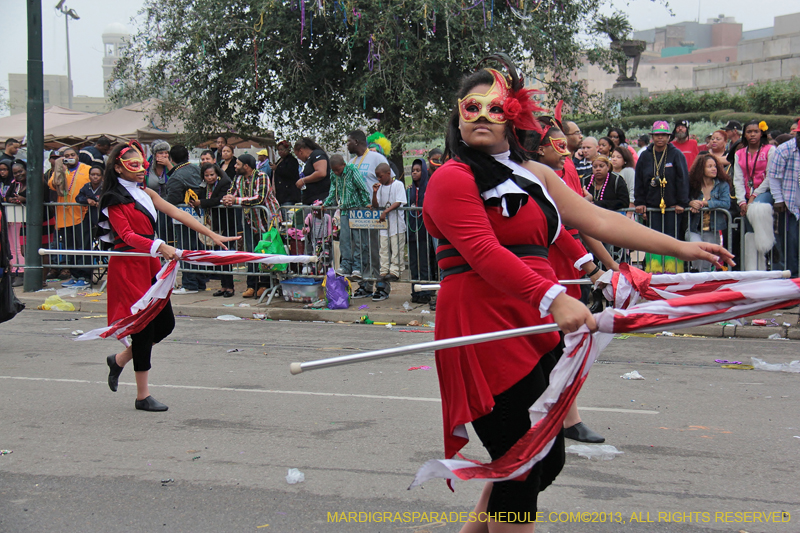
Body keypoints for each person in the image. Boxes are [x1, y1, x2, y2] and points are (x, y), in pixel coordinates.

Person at [422, 57, 731, 530]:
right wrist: (553, 297)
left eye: (495, 106)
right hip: (483, 326)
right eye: (471, 106)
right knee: (520, 462)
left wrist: (685, 246)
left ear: (513, 116)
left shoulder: (535, 175)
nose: (482, 115)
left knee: (541, 459)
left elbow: (600, 221)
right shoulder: (451, 178)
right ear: (457, 115)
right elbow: (484, 252)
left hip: (535, 323)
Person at [101, 140, 238, 412]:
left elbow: (176, 211)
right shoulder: (113, 198)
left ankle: (119, 360)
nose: (141, 169)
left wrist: (210, 234)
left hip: (150, 262)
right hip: (129, 264)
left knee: (165, 325)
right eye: (133, 164)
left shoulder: (146, 193)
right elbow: (126, 235)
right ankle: (142, 395)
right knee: (143, 329)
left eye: (143, 163)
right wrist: (160, 246)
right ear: (118, 167)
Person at [222, 153, 281, 298]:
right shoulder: (238, 178)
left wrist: (236, 200)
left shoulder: (262, 177)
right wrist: (228, 199)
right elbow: (231, 193)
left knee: (266, 252)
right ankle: (251, 285)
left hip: (267, 220)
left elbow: (259, 198)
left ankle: (266, 284)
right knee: (251, 252)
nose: (235, 166)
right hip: (250, 221)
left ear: (246, 166)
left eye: (237, 164)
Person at [346, 130, 392, 299]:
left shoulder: (377, 158)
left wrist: (385, 207)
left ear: (357, 141)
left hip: (375, 213)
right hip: (357, 214)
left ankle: (382, 285)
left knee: (377, 250)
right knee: (361, 249)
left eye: (349, 141)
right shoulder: (351, 162)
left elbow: (389, 181)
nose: (347, 144)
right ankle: (365, 285)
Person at [634, 121, 690, 240]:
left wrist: (682, 202)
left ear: (669, 137)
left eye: (664, 135)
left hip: (673, 209)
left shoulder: (676, 154)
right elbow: (639, 180)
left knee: (672, 240)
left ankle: (672, 260)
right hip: (651, 208)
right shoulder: (645, 156)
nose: (660, 137)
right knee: (653, 241)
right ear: (652, 137)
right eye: (657, 135)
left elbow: (683, 179)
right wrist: (640, 202)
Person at [48, 147, 93, 288]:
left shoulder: (87, 169)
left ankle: (84, 277)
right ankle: (74, 275)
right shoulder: (61, 170)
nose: (70, 157)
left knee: (83, 247)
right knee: (70, 247)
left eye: (72, 155)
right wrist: (58, 167)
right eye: (66, 156)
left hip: (82, 214)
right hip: (64, 216)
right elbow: (52, 185)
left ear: (78, 156)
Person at [735, 120, 776, 271]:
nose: (752, 134)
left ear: (761, 133)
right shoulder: (739, 153)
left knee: (757, 209)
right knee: (749, 231)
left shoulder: (770, 150)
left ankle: (768, 249)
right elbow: (738, 180)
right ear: (744, 134)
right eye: (749, 131)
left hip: (766, 191)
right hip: (746, 195)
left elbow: (770, 176)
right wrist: (741, 202)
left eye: (756, 131)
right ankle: (752, 269)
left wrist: (754, 196)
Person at [190, 162, 235, 297]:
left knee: (226, 256)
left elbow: (217, 200)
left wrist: (201, 203)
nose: (210, 178)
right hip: (211, 224)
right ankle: (223, 286)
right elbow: (202, 198)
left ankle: (230, 287)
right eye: (207, 175)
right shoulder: (203, 186)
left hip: (226, 223)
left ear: (217, 174)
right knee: (218, 256)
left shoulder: (224, 183)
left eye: (212, 175)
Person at [324, 154, 371, 277]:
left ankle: (358, 267)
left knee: (360, 240)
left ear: (343, 165)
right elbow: (333, 189)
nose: (336, 172)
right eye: (333, 170)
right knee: (344, 240)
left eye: (338, 170)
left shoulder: (352, 170)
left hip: (357, 210)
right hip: (344, 210)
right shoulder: (334, 174)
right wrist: (327, 202)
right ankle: (346, 266)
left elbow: (362, 188)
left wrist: (366, 203)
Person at [687, 155, 732, 272]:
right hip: (694, 227)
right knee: (696, 249)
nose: (714, 169)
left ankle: (704, 282)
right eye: (709, 166)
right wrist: (691, 203)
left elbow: (726, 203)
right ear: (701, 169)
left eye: (715, 166)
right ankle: (695, 275)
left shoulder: (722, 184)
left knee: (708, 260)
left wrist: (706, 203)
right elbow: (684, 200)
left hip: (712, 229)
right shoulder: (692, 184)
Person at [371, 162, 405, 301]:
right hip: (384, 225)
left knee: (396, 247)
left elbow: (399, 201)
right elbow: (375, 205)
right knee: (383, 247)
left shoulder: (398, 185)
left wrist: (386, 211)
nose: (379, 179)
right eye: (377, 177)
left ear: (388, 174)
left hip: (396, 224)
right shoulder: (379, 188)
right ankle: (384, 270)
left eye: (380, 177)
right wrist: (374, 193)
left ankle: (395, 270)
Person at [768, 136, 800, 277]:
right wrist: (779, 199)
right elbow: (774, 176)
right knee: (791, 242)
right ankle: (793, 277)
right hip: (791, 204)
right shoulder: (784, 149)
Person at [407, 158, 436, 307]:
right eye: (413, 171)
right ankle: (415, 292)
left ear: (423, 172)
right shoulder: (409, 190)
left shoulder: (429, 188)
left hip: (424, 231)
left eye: (418, 171)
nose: (414, 173)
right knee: (413, 264)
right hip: (412, 231)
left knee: (424, 263)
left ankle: (425, 292)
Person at [294, 138, 331, 205]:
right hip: (309, 200)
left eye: (297, 155)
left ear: (301, 151)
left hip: (320, 198)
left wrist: (303, 180)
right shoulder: (309, 160)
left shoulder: (317, 155)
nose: (298, 158)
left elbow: (321, 173)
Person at [271, 141, 301, 206]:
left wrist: (277, 169)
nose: (280, 152)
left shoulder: (292, 160)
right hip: (280, 195)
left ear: (288, 149)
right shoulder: (279, 161)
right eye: (278, 150)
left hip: (289, 195)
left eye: (282, 149)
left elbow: (290, 173)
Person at [75, 164, 104, 229]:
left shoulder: (106, 187)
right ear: (89, 176)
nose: (95, 177)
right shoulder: (86, 186)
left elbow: (112, 198)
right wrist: (87, 200)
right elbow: (78, 197)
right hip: (90, 217)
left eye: (98, 175)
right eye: (93, 174)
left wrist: (103, 203)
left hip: (104, 218)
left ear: (102, 176)